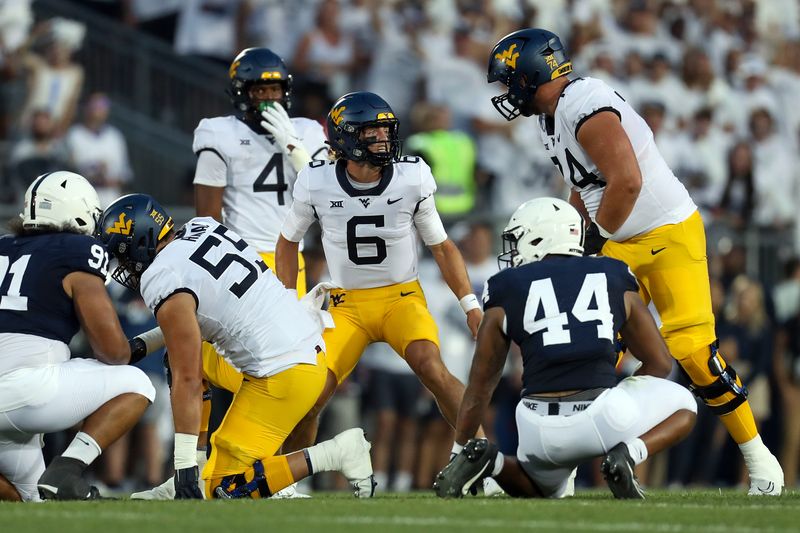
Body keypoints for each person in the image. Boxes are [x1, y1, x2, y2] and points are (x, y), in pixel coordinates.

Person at [484, 28, 783, 495]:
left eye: (510, 80)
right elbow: (586, 188)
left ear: (534, 74)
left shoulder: (584, 103)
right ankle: (566, 473)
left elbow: (627, 181)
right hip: (619, 236)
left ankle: (759, 459)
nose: (507, 91)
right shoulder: (551, 116)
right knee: (588, 349)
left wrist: (597, 245)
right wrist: (578, 244)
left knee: (692, 351)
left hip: (665, 231)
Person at [98, 193, 374, 500]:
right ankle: (202, 465)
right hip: (300, 346)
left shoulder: (161, 275)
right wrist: (141, 344)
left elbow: (187, 377)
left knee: (224, 489)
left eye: (122, 254)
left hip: (283, 373)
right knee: (186, 354)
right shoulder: (202, 227)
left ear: (140, 241)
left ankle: (337, 453)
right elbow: (195, 320)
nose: (122, 265)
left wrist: (183, 469)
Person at [434, 198, 697, 499]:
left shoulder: (505, 285)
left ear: (538, 236)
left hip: (536, 425)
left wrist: (459, 448)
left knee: (543, 490)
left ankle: (490, 462)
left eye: (518, 238)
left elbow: (481, 386)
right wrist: (623, 403)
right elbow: (660, 363)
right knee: (685, 403)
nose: (513, 249)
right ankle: (627, 455)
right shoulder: (613, 273)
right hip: (603, 415)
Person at [275, 92, 484, 471]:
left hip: (400, 298)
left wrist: (469, 303)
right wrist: (289, 300)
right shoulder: (316, 181)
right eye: (372, 133)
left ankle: (483, 455)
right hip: (345, 305)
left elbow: (442, 247)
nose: (383, 140)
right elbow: (288, 241)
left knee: (431, 367)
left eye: (386, 131)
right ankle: (284, 480)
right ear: (348, 139)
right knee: (311, 393)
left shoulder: (411, 175)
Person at [0, 171, 156, 501]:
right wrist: (157, 337)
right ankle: (68, 468)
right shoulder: (77, 248)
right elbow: (114, 353)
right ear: (80, 212)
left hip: (14, 398)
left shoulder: (2, 246)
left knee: (36, 502)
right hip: (27, 389)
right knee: (136, 382)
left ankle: (56, 480)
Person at [193, 46, 328, 293]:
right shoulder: (219, 133)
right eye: (260, 90)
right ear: (242, 93)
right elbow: (207, 219)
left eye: (274, 89)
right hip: (241, 254)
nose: (269, 97)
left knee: (291, 330)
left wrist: (296, 150)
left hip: (290, 254)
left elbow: (329, 199)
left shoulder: (306, 131)